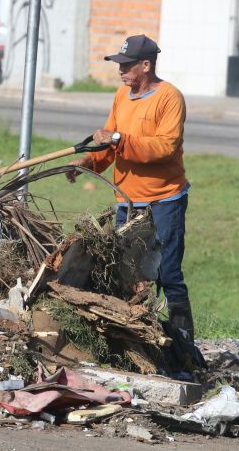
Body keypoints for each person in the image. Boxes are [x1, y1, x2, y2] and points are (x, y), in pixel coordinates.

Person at [66, 34, 194, 340]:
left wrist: (118, 140)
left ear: (146, 65)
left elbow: (164, 147)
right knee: (127, 273)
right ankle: (135, 338)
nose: (120, 70)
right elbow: (110, 145)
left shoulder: (170, 98)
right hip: (128, 201)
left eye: (126, 64)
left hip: (165, 199)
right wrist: (89, 164)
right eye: (118, 64)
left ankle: (183, 342)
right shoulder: (121, 97)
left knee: (167, 272)